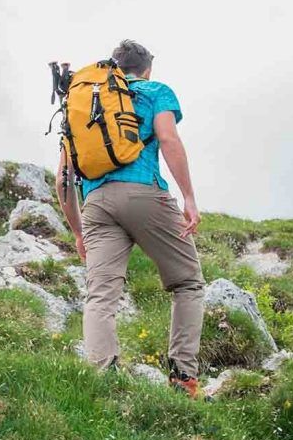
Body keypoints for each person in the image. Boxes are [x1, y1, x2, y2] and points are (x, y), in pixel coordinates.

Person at [55, 39, 205, 397]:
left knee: (100, 295)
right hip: (144, 194)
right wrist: (188, 197)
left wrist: (78, 232)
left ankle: (102, 379)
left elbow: (62, 177)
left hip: (96, 205)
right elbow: (168, 139)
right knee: (187, 283)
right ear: (147, 69)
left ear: (114, 68)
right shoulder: (156, 91)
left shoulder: (83, 101)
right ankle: (183, 379)